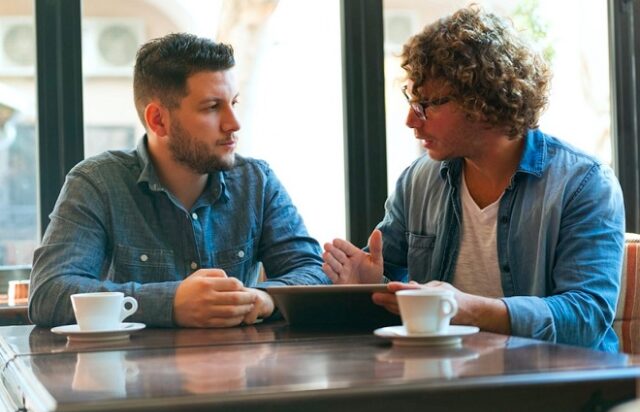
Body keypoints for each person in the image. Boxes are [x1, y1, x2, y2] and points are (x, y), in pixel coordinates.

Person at [322, 6, 625, 351]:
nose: (410, 119)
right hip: (447, 375)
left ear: (481, 102)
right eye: (411, 101)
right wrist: (369, 288)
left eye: (426, 105)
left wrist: (468, 309)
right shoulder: (419, 180)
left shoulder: (583, 183)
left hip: (556, 385)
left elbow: (586, 316)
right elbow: (392, 286)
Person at [29, 33, 329, 328]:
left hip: (239, 372)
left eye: (233, 103)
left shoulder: (257, 182)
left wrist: (265, 299)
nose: (233, 123)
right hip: (132, 373)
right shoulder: (97, 183)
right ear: (158, 120)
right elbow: (49, 294)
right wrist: (169, 303)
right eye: (212, 107)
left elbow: (312, 270)